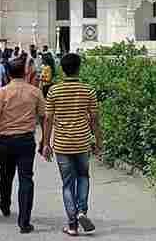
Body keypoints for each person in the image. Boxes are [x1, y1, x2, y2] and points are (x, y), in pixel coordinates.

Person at [0, 57, 46, 234]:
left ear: (7, 73)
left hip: (6, 141)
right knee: (26, 179)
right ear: (25, 72)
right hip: (26, 140)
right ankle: (24, 221)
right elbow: (43, 118)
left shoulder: (2, 92)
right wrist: (45, 140)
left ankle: (5, 202)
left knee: (5, 174)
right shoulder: (35, 92)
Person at [42, 53, 103, 237]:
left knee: (68, 184)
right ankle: (82, 210)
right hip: (82, 143)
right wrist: (99, 141)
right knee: (83, 177)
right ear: (79, 68)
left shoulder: (54, 91)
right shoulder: (88, 90)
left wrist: (46, 143)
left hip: (61, 144)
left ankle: (73, 224)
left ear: (62, 69)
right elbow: (95, 120)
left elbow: (48, 120)